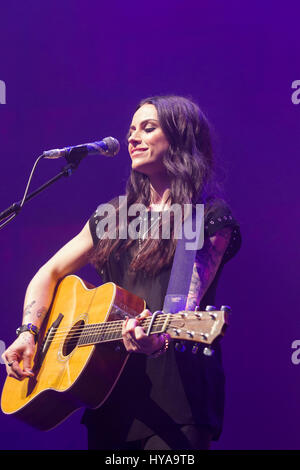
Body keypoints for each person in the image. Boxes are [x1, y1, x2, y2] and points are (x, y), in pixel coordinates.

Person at [2, 95, 241, 450]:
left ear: (179, 138)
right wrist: (29, 333)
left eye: (148, 128)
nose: (132, 137)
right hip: (107, 399)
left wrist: (156, 339)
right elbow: (49, 272)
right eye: (131, 129)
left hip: (176, 404)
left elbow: (181, 306)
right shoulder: (114, 215)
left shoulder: (206, 216)